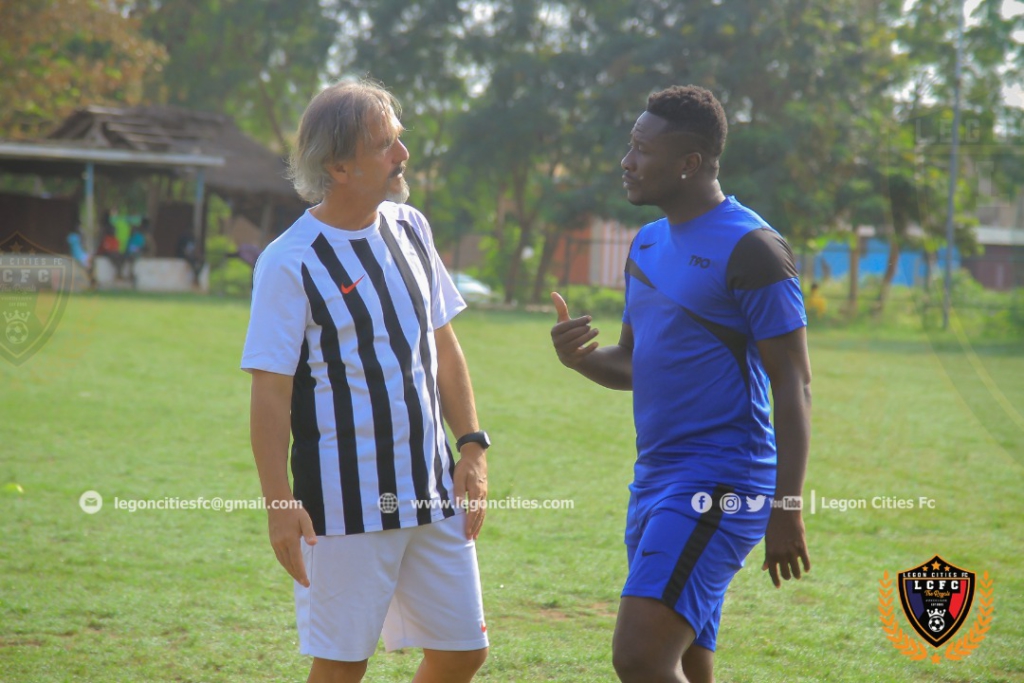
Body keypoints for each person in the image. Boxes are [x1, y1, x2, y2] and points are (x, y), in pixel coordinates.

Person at [549, 85, 812, 683]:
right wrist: (581, 360)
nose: (627, 161)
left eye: (642, 149)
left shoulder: (754, 249)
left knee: (639, 657)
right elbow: (637, 364)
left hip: (723, 483)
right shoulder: (646, 243)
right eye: (630, 145)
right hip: (655, 481)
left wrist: (786, 505)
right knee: (687, 666)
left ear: (689, 163)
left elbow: (794, 386)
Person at [241, 79, 490, 683]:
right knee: (341, 667)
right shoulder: (289, 261)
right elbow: (269, 394)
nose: (402, 155)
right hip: (343, 503)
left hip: (432, 488)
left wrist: (473, 447)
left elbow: (444, 345)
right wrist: (279, 503)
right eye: (385, 145)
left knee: (463, 651)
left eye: (398, 140)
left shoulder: (410, 228)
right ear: (339, 166)